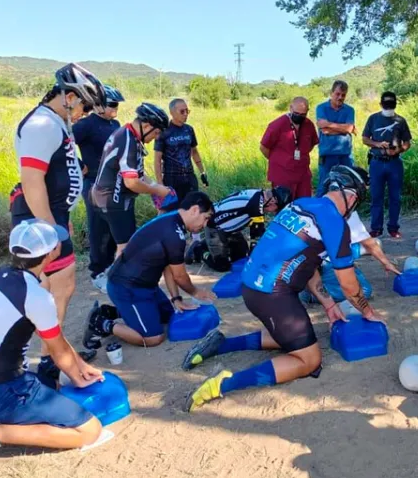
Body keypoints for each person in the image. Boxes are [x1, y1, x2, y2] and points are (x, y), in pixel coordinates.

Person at [183, 166, 381, 412]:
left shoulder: (301, 205)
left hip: (252, 287)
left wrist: (328, 304)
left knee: (288, 336)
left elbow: (308, 264)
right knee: (309, 360)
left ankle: (221, 345)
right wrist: (368, 312)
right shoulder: (336, 223)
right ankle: (224, 384)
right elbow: (350, 286)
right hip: (273, 295)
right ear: (352, 197)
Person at [10, 63, 107, 387]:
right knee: (58, 288)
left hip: (50, 217)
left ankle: (48, 357)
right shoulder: (42, 124)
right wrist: (49, 232)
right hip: (41, 218)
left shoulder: (55, 122)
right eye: (84, 105)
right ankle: (49, 364)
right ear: (67, 97)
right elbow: (32, 181)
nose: (85, 113)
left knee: (52, 290)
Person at [0, 220, 104, 452]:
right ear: (51, 253)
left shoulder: (1, 275)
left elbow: (54, 340)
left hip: (3, 376)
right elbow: (57, 350)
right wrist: (78, 377)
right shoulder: (35, 296)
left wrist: (80, 364)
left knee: (51, 385)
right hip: (3, 386)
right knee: (90, 430)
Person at [83, 192, 217, 349]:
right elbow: (180, 276)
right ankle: (100, 323)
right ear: (194, 210)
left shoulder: (174, 221)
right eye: (206, 217)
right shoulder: (174, 233)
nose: (205, 224)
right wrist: (195, 292)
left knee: (168, 315)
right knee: (153, 338)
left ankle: (112, 312)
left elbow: (169, 267)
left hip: (145, 285)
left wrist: (176, 299)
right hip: (126, 287)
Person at [92, 103, 173, 257]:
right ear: (147, 125)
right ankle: (119, 280)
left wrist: (156, 187)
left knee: (120, 247)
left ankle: (114, 277)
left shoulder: (129, 136)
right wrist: (156, 190)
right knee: (125, 248)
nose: (155, 138)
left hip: (110, 197)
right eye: (156, 133)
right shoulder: (127, 140)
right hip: (113, 199)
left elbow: (139, 175)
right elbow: (132, 182)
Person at [73, 85, 124, 292]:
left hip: (114, 183)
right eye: (112, 104)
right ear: (99, 105)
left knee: (113, 227)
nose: (115, 108)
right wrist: (77, 164)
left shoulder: (115, 124)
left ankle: (111, 266)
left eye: (117, 104)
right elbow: (62, 144)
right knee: (98, 228)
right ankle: (97, 272)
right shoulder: (86, 125)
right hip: (93, 183)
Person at [186, 186, 294, 272]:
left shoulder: (259, 196)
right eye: (276, 209)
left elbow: (256, 232)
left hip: (232, 229)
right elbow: (256, 236)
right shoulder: (256, 205)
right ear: (272, 202)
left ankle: (210, 245)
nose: (274, 212)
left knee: (240, 258)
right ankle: (198, 251)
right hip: (215, 227)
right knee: (222, 265)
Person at [362, 91, 412, 238]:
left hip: (395, 163)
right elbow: (365, 139)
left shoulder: (400, 121)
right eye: (386, 104)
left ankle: (393, 228)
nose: (388, 107)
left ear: (395, 104)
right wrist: (378, 144)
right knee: (376, 196)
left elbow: (407, 143)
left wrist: (398, 150)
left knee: (395, 197)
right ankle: (376, 228)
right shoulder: (373, 119)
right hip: (377, 162)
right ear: (380, 104)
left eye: (391, 104)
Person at [260, 96, 319, 199]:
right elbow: (264, 147)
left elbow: (312, 143)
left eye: (303, 114)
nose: (299, 116)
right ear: (291, 108)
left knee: (304, 205)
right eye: (296, 113)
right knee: (284, 207)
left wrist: (301, 155)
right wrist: (277, 159)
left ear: (307, 112)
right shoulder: (277, 125)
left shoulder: (308, 125)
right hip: (282, 175)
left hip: (302, 174)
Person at [154, 98, 208, 202]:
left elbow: (194, 151)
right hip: (172, 179)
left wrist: (202, 172)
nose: (185, 114)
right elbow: (157, 160)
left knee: (193, 209)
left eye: (187, 111)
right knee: (174, 211)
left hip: (189, 177)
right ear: (172, 112)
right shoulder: (163, 132)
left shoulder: (189, 129)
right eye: (182, 111)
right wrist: (160, 183)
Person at [315, 81, 356, 195]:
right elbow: (324, 130)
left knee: (348, 187)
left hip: (345, 155)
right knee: (324, 186)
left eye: (343, 95)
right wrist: (344, 128)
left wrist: (329, 124)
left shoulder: (349, 110)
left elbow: (348, 129)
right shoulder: (321, 108)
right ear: (331, 93)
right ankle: (320, 212)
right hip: (327, 154)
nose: (340, 97)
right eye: (337, 94)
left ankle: (346, 212)